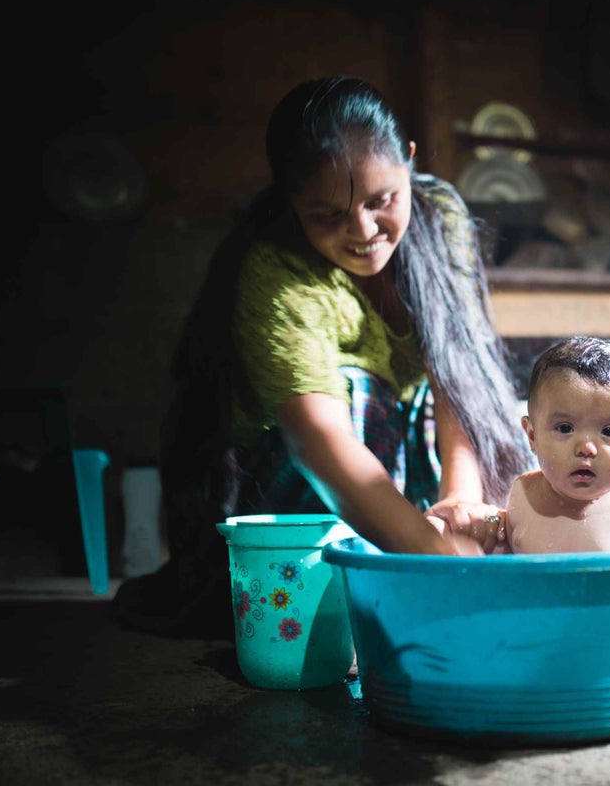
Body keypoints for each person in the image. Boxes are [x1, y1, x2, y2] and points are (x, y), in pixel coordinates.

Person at [113, 75, 532, 636]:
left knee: (514, 422)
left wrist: (461, 499)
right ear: (291, 201)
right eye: (328, 215)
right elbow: (321, 442)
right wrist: (439, 557)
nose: (363, 232)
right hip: (301, 480)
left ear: (408, 162)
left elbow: (458, 373)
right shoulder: (274, 272)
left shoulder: (439, 214)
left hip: (400, 475)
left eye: (382, 201)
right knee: (357, 392)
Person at [501, 336, 610, 553]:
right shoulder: (522, 495)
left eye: (608, 431)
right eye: (565, 428)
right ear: (532, 437)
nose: (586, 448)